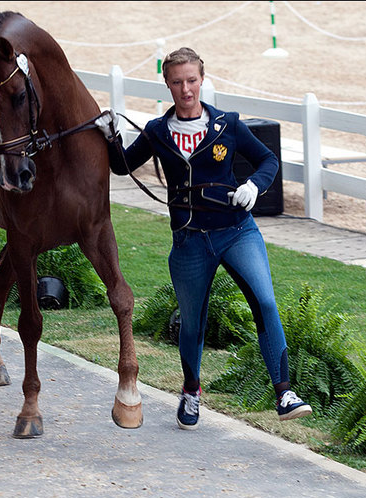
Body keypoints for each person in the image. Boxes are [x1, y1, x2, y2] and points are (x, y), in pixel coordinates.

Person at [94, 47, 312, 430]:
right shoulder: (158, 132)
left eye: (191, 80)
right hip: (190, 242)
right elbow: (122, 165)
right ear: (167, 85)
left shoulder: (228, 125)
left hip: (237, 231)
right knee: (192, 322)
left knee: (264, 301)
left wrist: (253, 186)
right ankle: (191, 391)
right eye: (177, 82)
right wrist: (111, 136)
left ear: (202, 79)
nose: (186, 89)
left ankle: (284, 393)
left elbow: (268, 161)